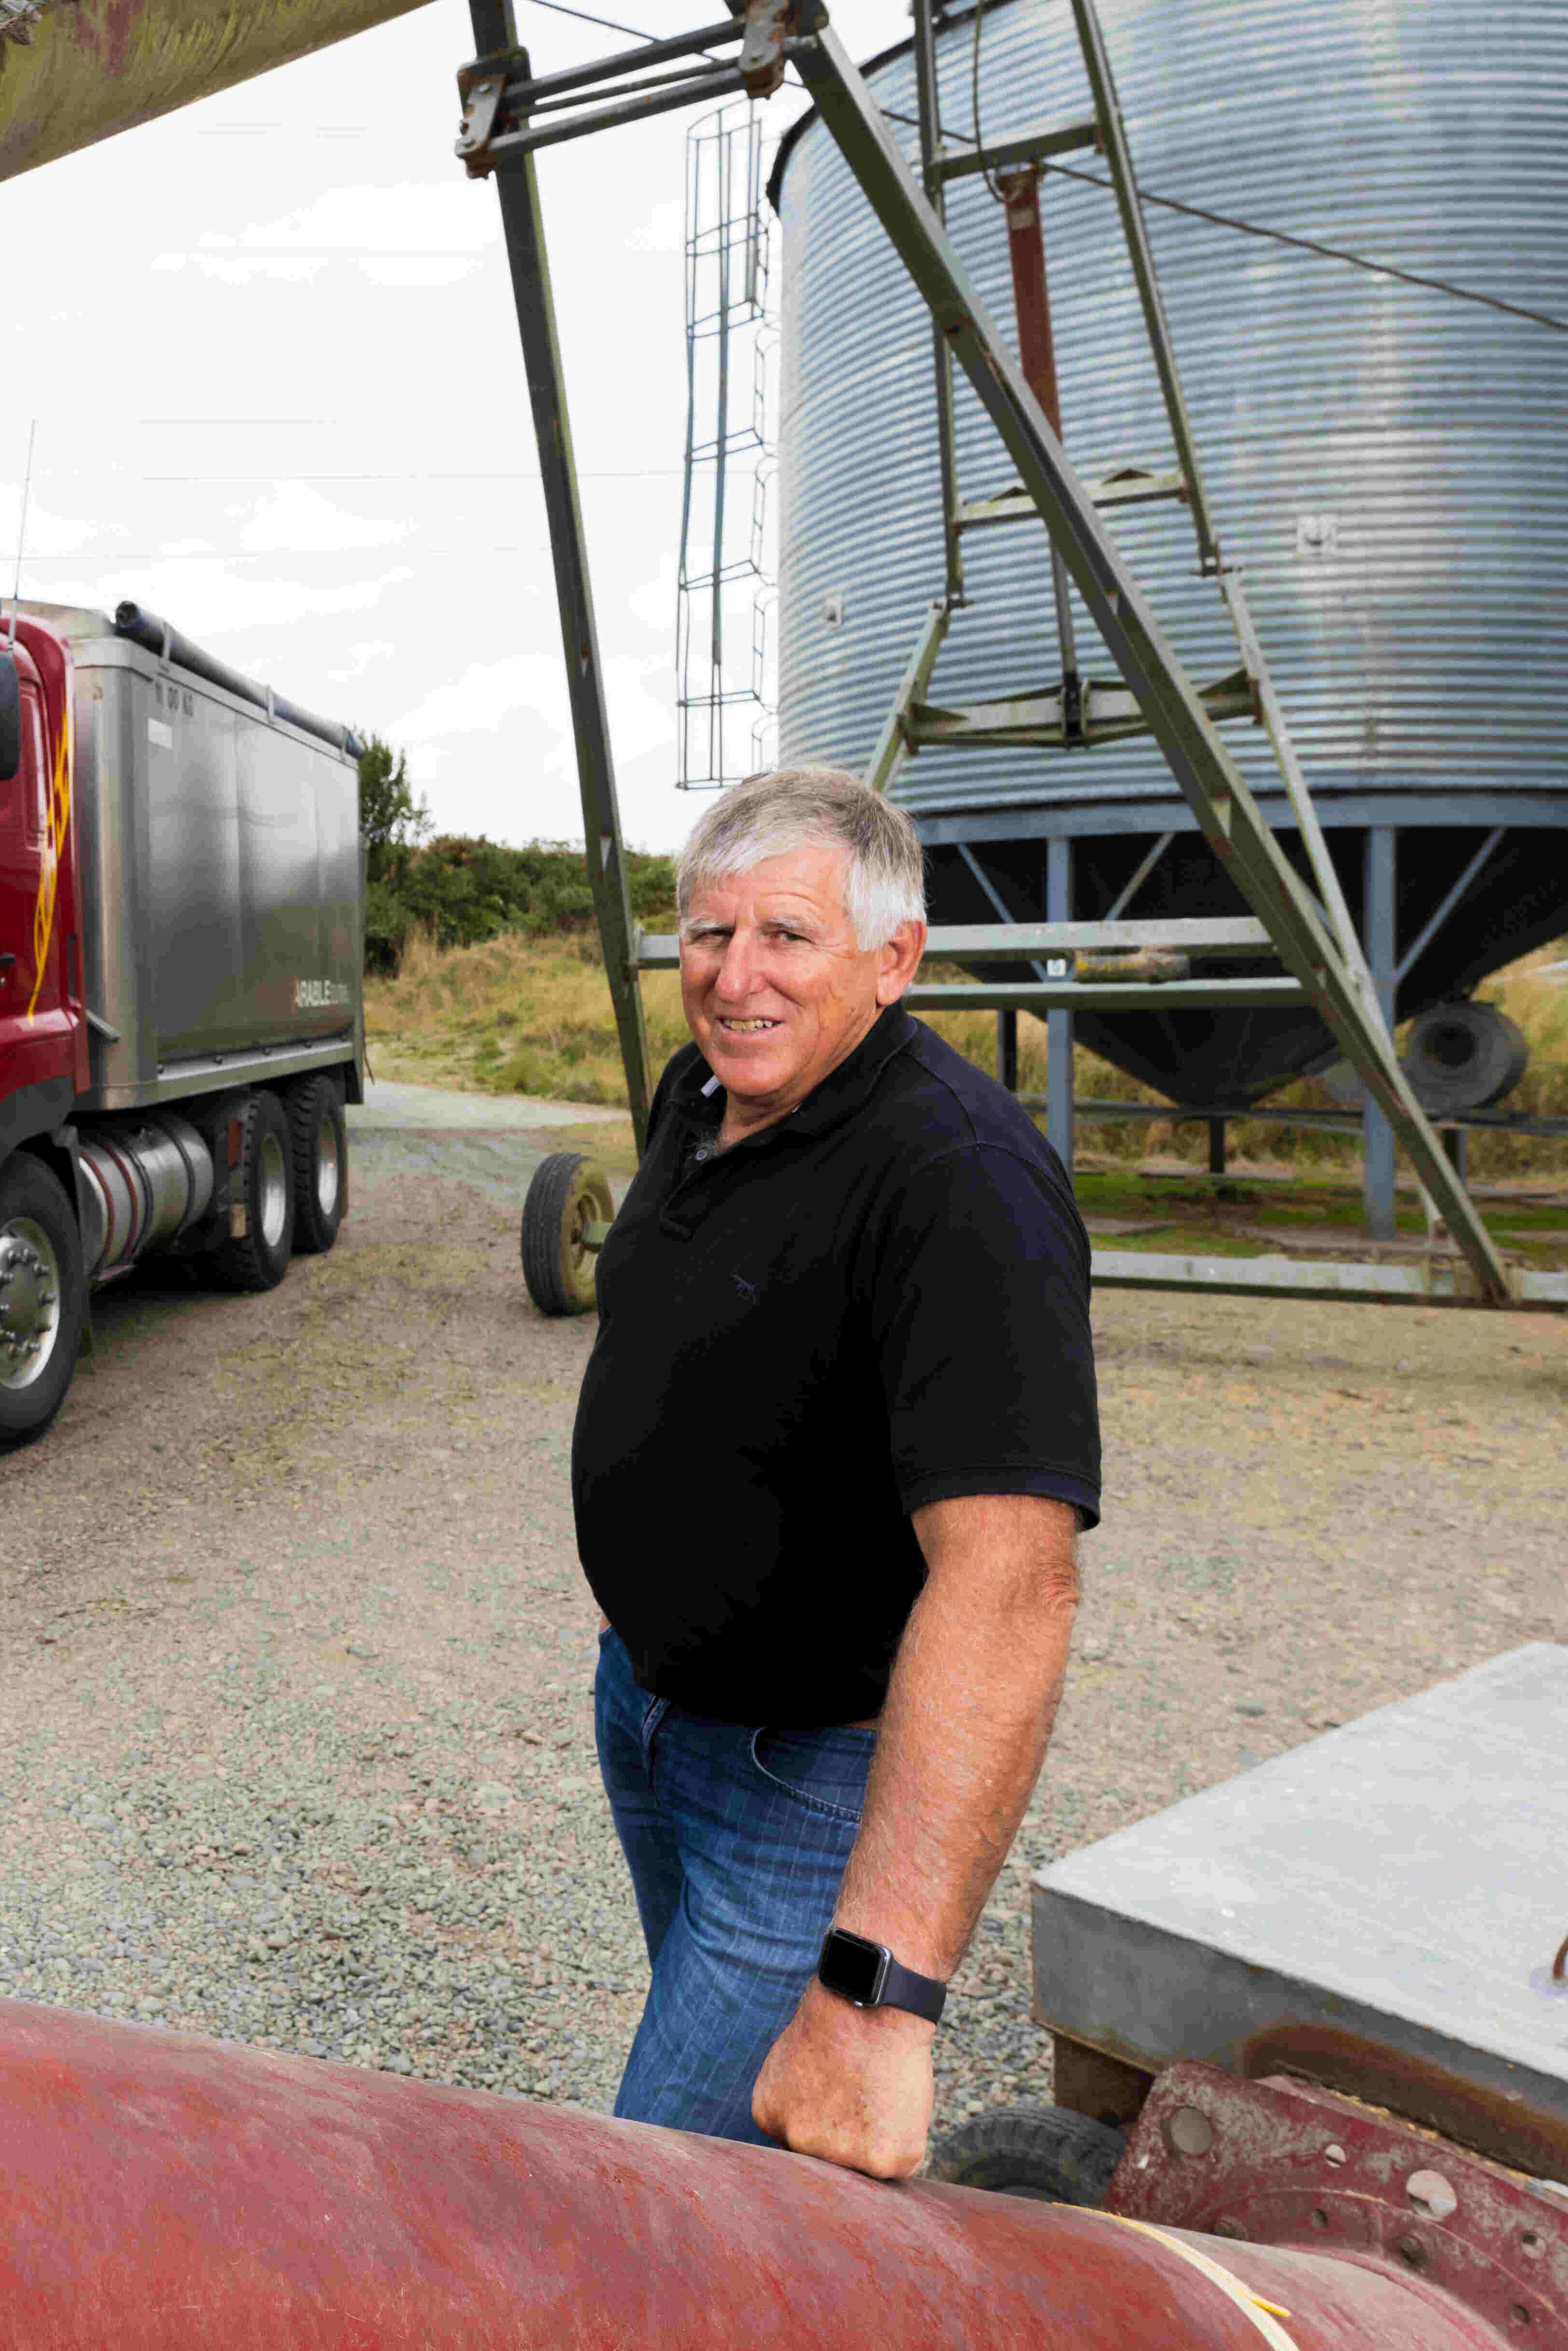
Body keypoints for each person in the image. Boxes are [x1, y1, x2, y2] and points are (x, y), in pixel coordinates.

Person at [568, 764, 1093, 2176]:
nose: (734, 978)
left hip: (804, 1775)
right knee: (742, 2133)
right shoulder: (706, 1091)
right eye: (705, 935)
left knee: (665, 2202)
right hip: (653, 1715)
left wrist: (876, 2000)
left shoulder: (958, 1180)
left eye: (786, 938)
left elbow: (1012, 1586)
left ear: (892, 958)